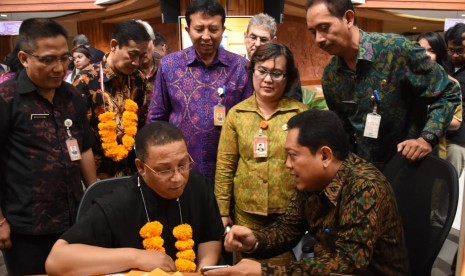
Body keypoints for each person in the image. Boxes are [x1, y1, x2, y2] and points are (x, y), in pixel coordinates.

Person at [207, 109, 409, 275]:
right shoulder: (312, 180)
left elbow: (348, 264)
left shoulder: (365, 187)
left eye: (293, 156)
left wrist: (266, 272)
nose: (287, 165)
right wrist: (255, 241)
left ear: (325, 155)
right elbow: (289, 228)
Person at [45, 122, 224, 275]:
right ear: (141, 167)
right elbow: (56, 260)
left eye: (183, 164)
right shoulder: (117, 203)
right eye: (164, 170)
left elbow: (210, 236)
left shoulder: (197, 185)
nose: (178, 178)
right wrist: (136, 257)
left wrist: (201, 269)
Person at [306, 0, 460, 170]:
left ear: (348, 19)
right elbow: (344, 130)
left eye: (324, 27)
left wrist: (427, 138)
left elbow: (448, 91)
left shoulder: (396, 50)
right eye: (313, 32)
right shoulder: (331, 76)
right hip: (367, 175)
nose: (318, 39)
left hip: (411, 168)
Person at [0, 18, 97, 275]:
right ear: (23, 58)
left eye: (64, 58)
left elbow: (84, 147)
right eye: (47, 59)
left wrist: (94, 200)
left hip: (74, 219)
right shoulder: (7, 98)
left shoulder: (72, 94)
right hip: (28, 225)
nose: (59, 67)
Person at [215, 42, 308, 265]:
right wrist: (222, 211)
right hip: (246, 213)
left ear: (287, 78)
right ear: (252, 72)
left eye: (277, 73)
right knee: (248, 269)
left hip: (290, 214)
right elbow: (226, 166)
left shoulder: (300, 114)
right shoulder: (237, 114)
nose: (268, 79)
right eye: (262, 71)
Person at [147, 0, 253, 182]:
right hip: (179, 169)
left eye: (213, 29)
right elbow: (156, 118)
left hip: (228, 169)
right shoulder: (169, 65)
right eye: (199, 29)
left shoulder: (240, 67)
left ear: (223, 30)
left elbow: (249, 119)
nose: (206, 36)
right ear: (188, 30)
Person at [73, 19, 152, 179]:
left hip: (133, 173)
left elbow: (143, 124)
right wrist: (90, 183)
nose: (136, 62)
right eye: (132, 54)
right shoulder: (86, 80)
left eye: (142, 56)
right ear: (114, 45)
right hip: (97, 176)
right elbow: (78, 136)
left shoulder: (139, 79)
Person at [416, 31, 462, 160]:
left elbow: (456, 122)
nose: (425, 54)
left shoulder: (450, 83)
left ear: (439, 53)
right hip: (401, 146)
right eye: (420, 49)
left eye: (431, 51)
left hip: (433, 148)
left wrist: (434, 116)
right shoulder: (406, 79)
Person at [245, 13, 302, 102]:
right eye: (253, 37)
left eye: (263, 40)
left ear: (273, 41)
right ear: (245, 37)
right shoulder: (235, 67)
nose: (257, 44)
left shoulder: (285, 68)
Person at [445, 23, 465, 178]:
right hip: (441, 138)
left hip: (458, 141)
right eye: (451, 50)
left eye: (460, 51)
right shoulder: (445, 68)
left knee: (449, 186)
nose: (455, 55)